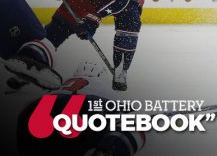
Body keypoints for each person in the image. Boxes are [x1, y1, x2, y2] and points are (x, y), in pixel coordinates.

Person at [16, 60, 145, 155]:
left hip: (37, 107)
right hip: (85, 107)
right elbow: (127, 112)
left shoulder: (65, 83)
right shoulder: (102, 86)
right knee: (136, 122)